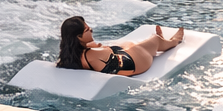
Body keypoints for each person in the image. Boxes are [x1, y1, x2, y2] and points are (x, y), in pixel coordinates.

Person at [55, 16, 184, 76]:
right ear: (78, 37)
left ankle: (154, 42)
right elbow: (105, 50)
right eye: (87, 30)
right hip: (134, 64)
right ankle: (173, 41)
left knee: (128, 44)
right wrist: (99, 46)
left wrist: (95, 45)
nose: (91, 30)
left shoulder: (70, 56)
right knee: (154, 41)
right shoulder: (91, 54)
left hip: (119, 59)